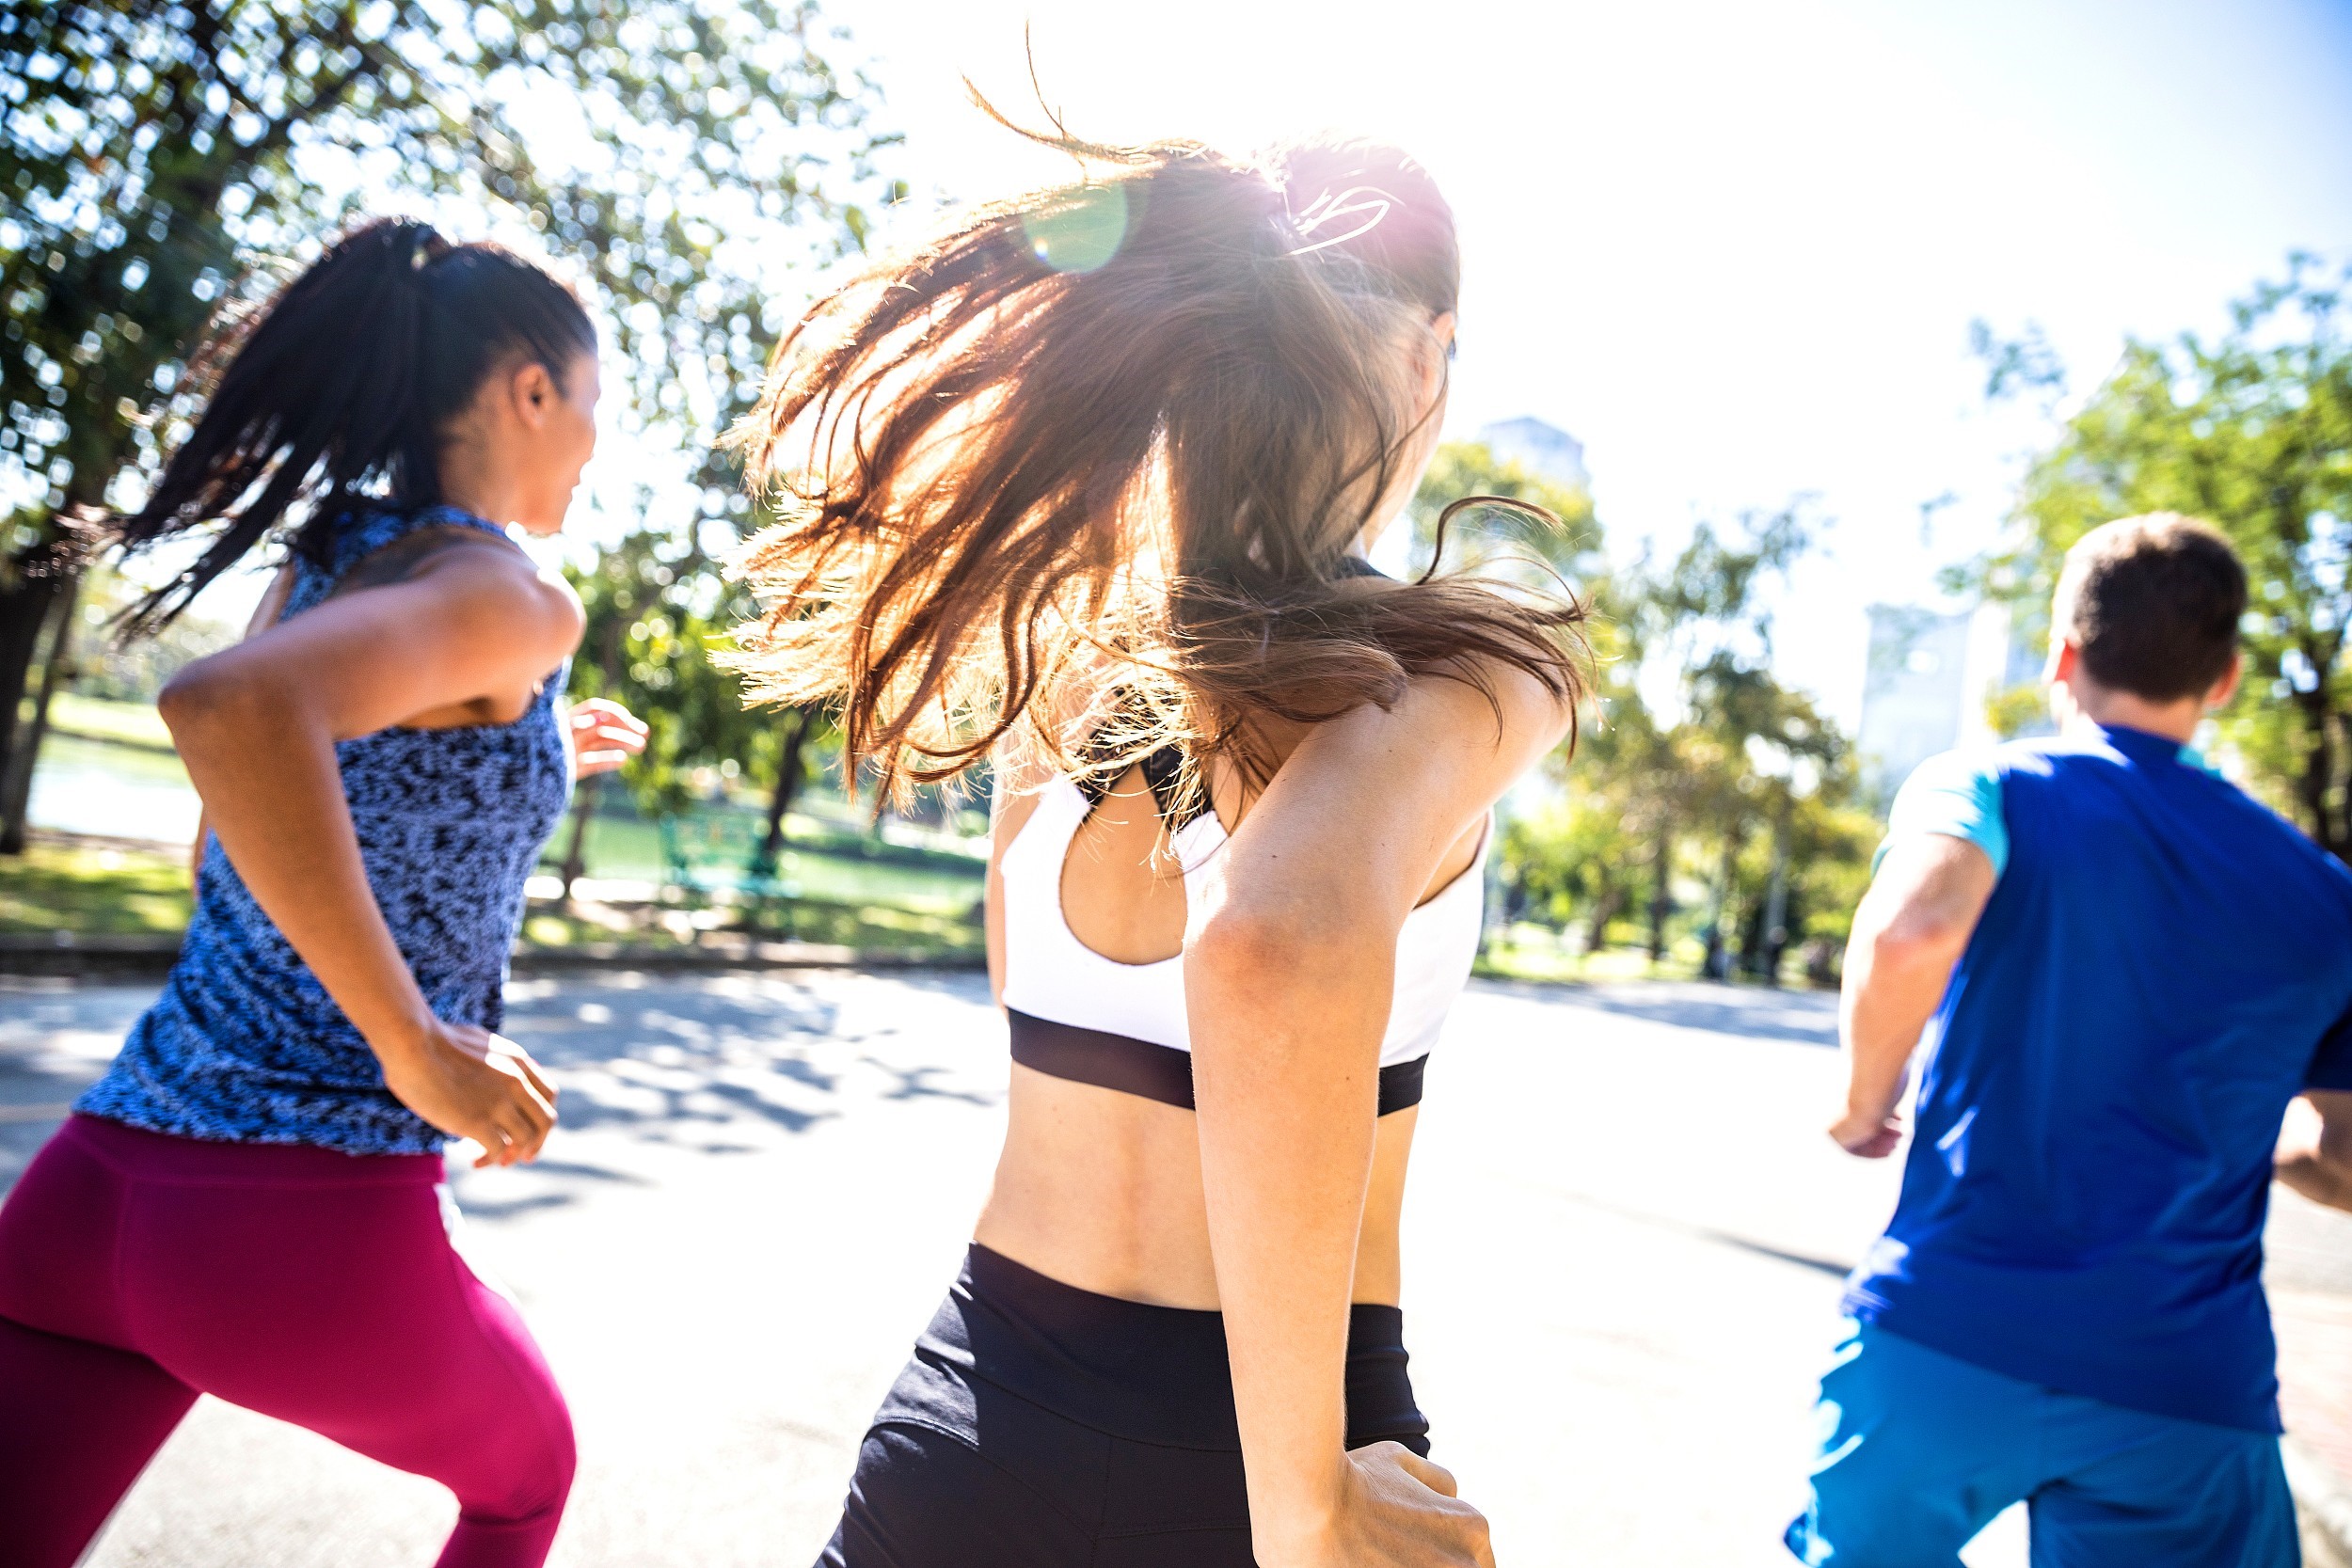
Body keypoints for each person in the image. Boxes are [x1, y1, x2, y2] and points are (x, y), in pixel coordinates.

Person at [726, 128, 1584, 1568]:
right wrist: (1301, 1504)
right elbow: (1273, 941)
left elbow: (1045, 999)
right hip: (1289, 1453)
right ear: (1429, 359)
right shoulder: (1468, 673)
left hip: (976, 1423)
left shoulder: (1069, 666)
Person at [0, 218, 645, 1568]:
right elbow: (229, 713)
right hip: (288, 1223)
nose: (596, 440)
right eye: (595, 401)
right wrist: (415, 1046)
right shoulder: (510, 595)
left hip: (89, 1197)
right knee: (527, 1476)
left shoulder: (324, 565)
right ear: (531, 389)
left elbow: (235, 824)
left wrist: (527, 750)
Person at [1789, 514, 2352, 1567]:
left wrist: (1864, 1098)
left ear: (2063, 655)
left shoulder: (1992, 785)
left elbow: (1912, 930)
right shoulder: (2325, 896)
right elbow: (2341, 1155)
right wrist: (2240, 1122)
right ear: (2224, 678)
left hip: (1945, 1331)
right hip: (2186, 1383)